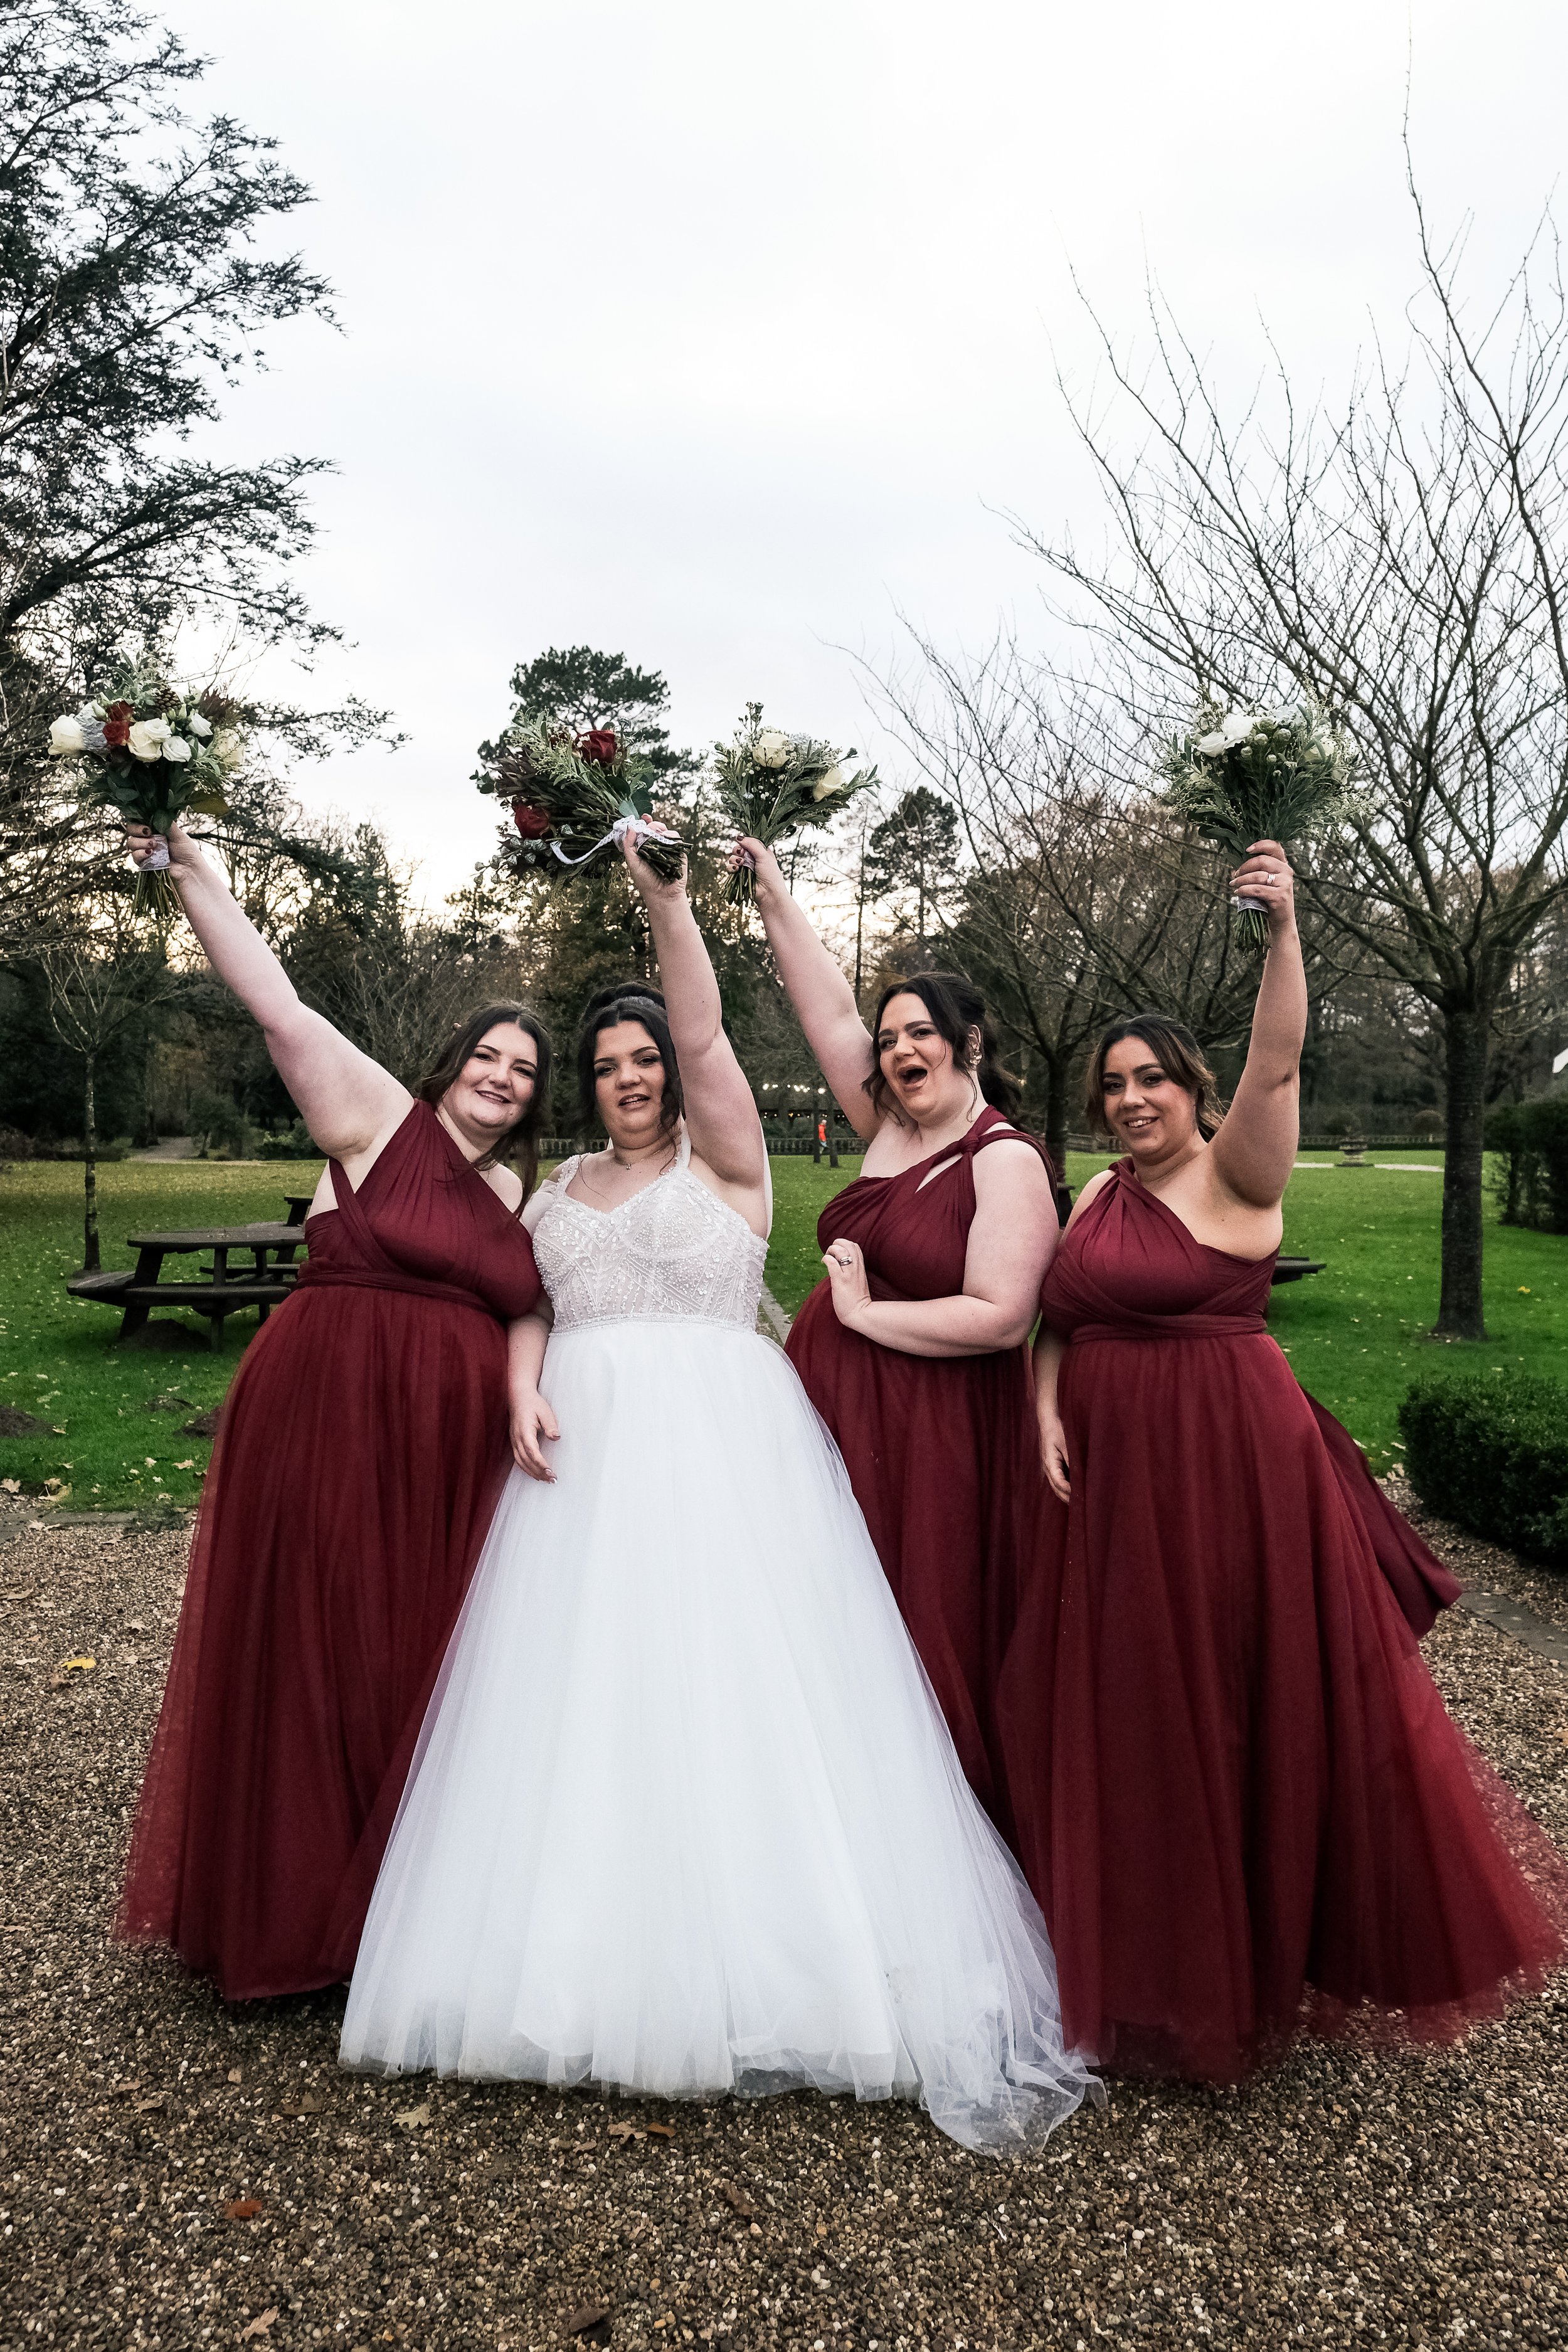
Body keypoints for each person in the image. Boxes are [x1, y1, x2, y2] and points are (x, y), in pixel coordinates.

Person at [339, 835, 1099, 2153]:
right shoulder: (557, 1186)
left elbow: (706, 1036)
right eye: (605, 1067)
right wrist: (520, 1383)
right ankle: (563, 1969)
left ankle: (780, 1967)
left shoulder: (729, 1157)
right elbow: (522, 1299)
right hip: (578, 1458)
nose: (630, 1079)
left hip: (720, 1455)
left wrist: (671, 906)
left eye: (642, 1061)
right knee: (572, 1701)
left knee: (741, 1689)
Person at [997, 839, 1567, 2082]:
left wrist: (1281, 933)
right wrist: (1043, 1407)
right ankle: (1141, 1950)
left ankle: (1243, 1965)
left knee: (1237, 1702)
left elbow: (1278, 1057)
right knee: (1136, 1709)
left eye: (1152, 1078)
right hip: (1106, 1482)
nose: (1131, 1098)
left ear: (1192, 1089)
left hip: (1227, 1470)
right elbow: (1063, 1320)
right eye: (1113, 1083)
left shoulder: (1235, 1176)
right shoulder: (1094, 1199)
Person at [116, 818, 547, 2001]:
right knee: (312, 1637)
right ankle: (289, 1917)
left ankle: (387, 1914)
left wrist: (518, 1382)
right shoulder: (371, 1116)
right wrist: (195, 870)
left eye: (523, 1072)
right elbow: (277, 1005)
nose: (502, 1080)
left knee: (410, 1652)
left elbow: (528, 1303)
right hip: (330, 1407)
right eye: (489, 1058)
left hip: (445, 1451)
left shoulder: (514, 1189)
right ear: (452, 1059)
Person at [731, 837, 1058, 1824]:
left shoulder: (1004, 1159)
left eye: (922, 1033)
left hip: (934, 1437)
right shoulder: (887, 1126)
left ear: (970, 1042)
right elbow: (826, 1008)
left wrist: (867, 1314)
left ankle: (927, 1835)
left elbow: (1001, 1318)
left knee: (912, 1628)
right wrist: (775, 896)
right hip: (831, 1415)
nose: (899, 1051)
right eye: (889, 1039)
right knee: (818, 1617)